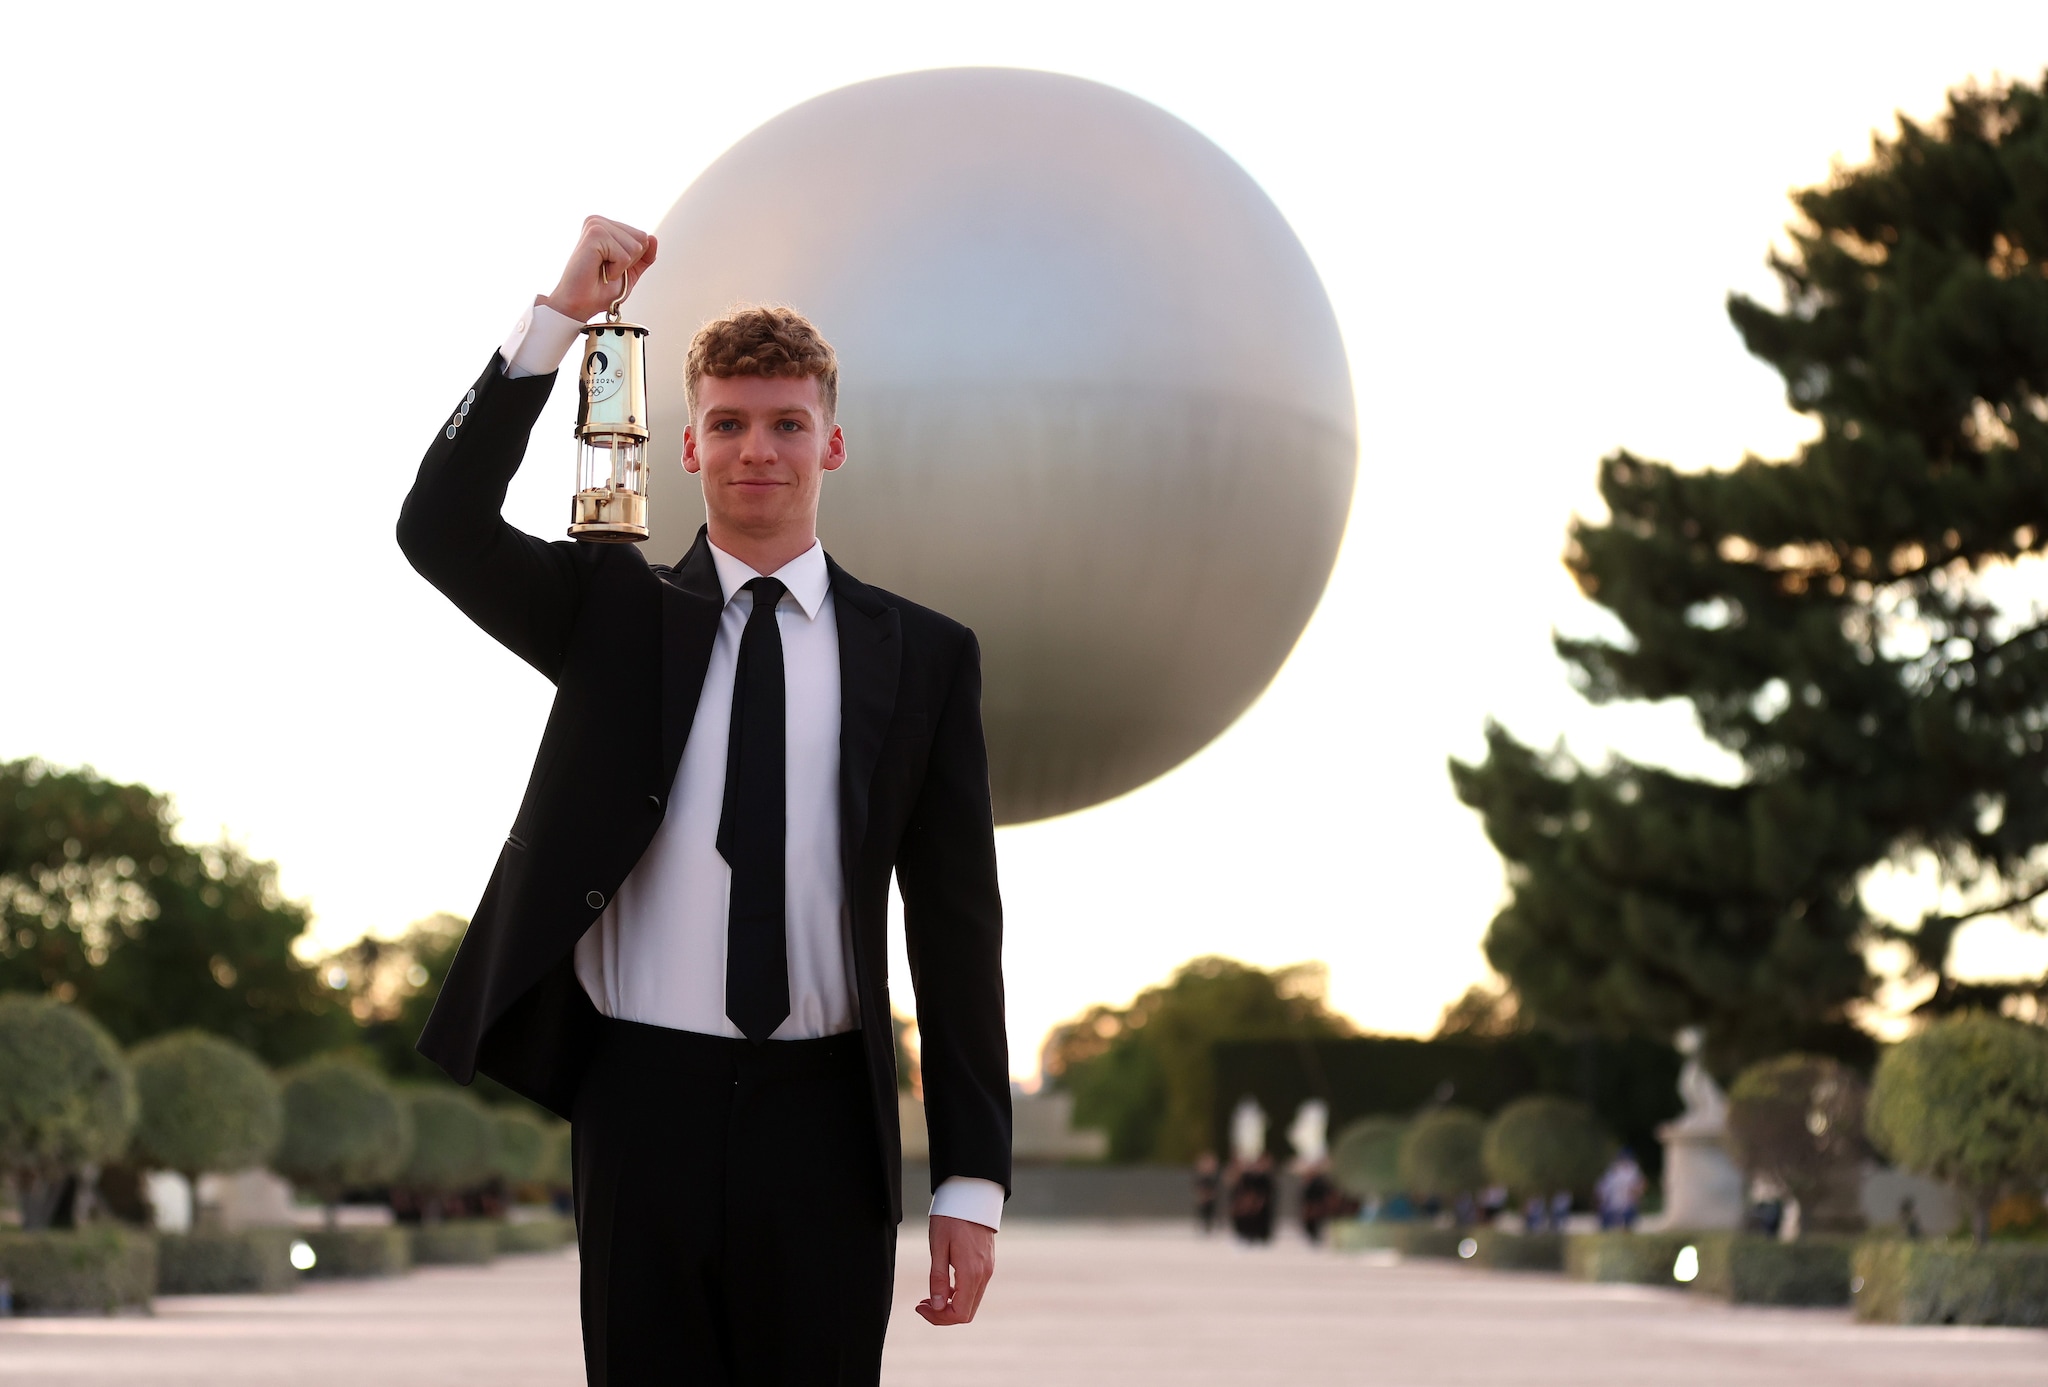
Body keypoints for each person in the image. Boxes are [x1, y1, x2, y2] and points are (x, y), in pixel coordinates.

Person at [398, 216, 1011, 1387]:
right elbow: (438, 531)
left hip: (827, 1117)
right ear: (687, 445)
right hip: (640, 1101)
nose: (756, 451)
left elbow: (956, 927)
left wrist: (969, 1183)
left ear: (832, 445)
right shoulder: (614, 613)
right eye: (727, 424)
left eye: (787, 424)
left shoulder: (925, 656)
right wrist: (556, 321)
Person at [1193, 1152, 1221, 1234]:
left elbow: (1215, 1187)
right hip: (1204, 1196)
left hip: (1210, 1196)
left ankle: (1210, 1225)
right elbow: (1198, 1186)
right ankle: (1204, 1224)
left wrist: (1211, 1194)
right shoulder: (1201, 1176)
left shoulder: (1213, 1176)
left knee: (1210, 1210)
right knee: (1203, 1210)